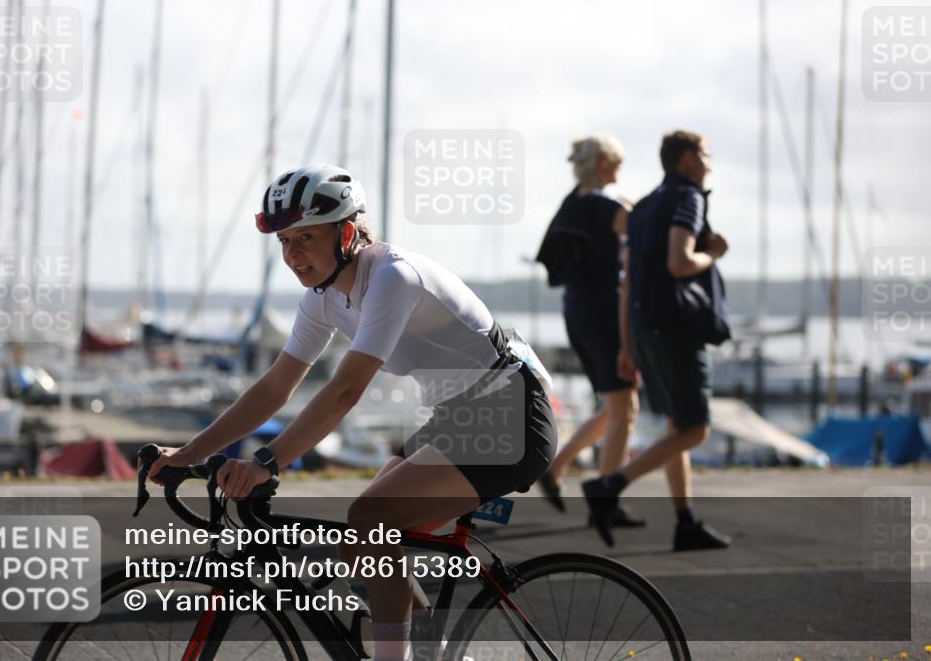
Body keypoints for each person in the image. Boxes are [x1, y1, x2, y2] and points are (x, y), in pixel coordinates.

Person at [149, 165, 557, 661]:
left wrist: (266, 463)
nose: (292, 254)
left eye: (305, 238)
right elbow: (275, 387)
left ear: (346, 232)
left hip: (509, 413)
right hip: (460, 415)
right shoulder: (322, 300)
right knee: (359, 545)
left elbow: (345, 392)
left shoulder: (392, 277)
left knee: (369, 519)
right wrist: (189, 453)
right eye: (283, 242)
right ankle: (431, 654)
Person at [583, 130, 732, 551]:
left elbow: (627, 282)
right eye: (705, 153)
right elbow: (681, 262)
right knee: (696, 430)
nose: (710, 162)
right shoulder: (689, 198)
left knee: (676, 426)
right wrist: (714, 255)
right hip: (677, 329)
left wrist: (628, 346)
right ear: (687, 160)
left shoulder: (644, 207)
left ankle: (686, 522)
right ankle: (610, 485)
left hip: (645, 327)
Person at [534, 134, 643, 528]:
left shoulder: (572, 204)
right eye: (616, 162)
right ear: (601, 162)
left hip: (577, 309)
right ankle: (606, 499)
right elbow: (637, 228)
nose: (619, 170)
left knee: (615, 405)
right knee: (625, 409)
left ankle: (557, 468)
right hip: (603, 311)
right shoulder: (607, 206)